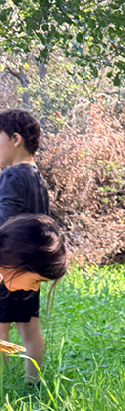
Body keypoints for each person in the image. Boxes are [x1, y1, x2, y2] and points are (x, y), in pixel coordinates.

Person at [0, 109, 55, 383]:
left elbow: (4, 223)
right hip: (30, 269)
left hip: (8, 266)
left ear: (15, 139)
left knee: (1, 332)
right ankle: (32, 381)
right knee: (29, 328)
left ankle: (5, 379)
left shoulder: (11, 177)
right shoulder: (38, 178)